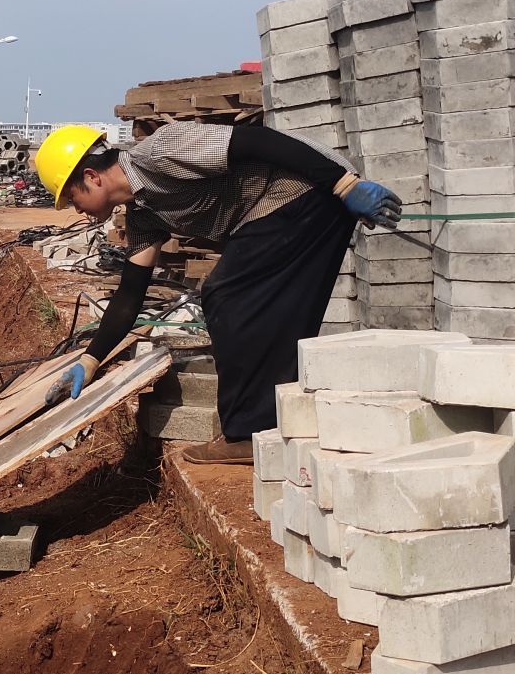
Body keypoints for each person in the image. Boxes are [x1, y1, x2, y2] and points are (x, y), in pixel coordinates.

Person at [33, 121, 401, 465]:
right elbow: (131, 294)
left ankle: (246, 433)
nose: (76, 211)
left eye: (71, 199)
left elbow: (258, 140)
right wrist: (90, 359)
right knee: (275, 311)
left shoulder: (161, 152)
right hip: (279, 210)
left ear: (91, 177)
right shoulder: (143, 214)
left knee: (226, 295)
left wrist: (345, 186)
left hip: (303, 190)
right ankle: (271, 423)